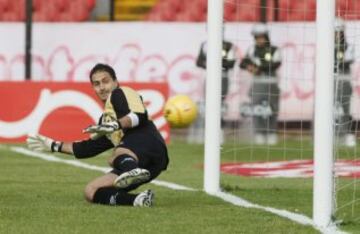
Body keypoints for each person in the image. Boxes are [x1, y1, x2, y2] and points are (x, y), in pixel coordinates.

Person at [26, 63, 169, 207]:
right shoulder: (105, 120)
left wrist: (115, 125)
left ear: (115, 82)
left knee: (114, 155)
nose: (102, 87)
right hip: (150, 165)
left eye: (105, 81)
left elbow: (140, 116)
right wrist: (54, 146)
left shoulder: (121, 93)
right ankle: (139, 200)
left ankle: (131, 170)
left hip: (150, 143)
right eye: (96, 84)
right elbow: (88, 148)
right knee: (92, 190)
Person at [240, 23, 281, 145]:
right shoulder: (252, 49)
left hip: (271, 83)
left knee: (271, 109)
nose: (259, 39)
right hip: (257, 83)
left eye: (261, 37)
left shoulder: (274, 49)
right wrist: (251, 68)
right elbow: (243, 63)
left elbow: (275, 64)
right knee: (257, 109)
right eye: (257, 37)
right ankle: (259, 132)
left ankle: (271, 132)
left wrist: (258, 68)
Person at [195, 39, 236, 143]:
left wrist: (217, 63)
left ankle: (220, 133)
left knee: (219, 105)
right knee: (208, 105)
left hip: (223, 78)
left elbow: (231, 63)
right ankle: (208, 133)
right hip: (209, 78)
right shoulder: (205, 44)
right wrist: (209, 65)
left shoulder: (228, 45)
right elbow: (199, 62)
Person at [334, 18, 356, 147]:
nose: (337, 35)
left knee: (344, 109)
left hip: (344, 82)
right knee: (331, 109)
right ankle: (331, 134)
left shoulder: (348, 47)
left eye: (339, 32)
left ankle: (346, 133)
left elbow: (348, 60)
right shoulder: (326, 47)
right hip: (330, 83)